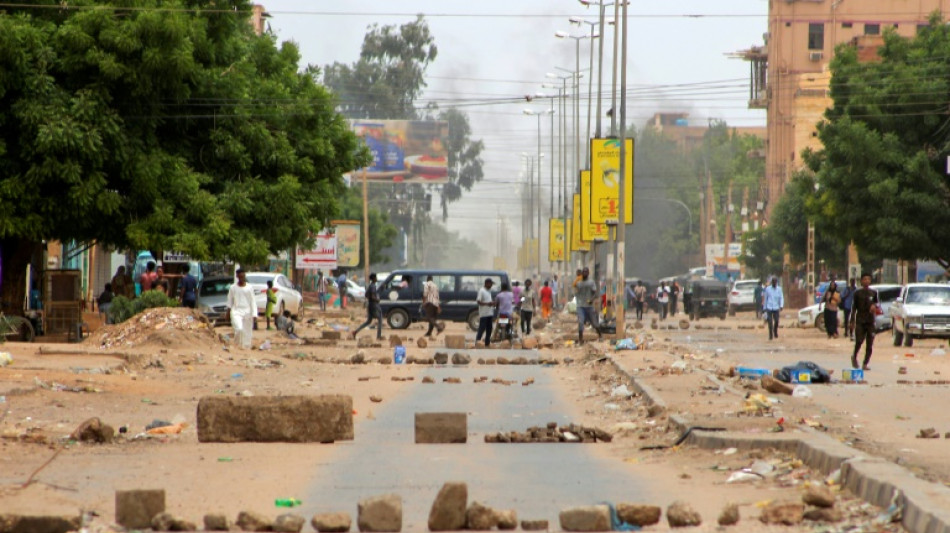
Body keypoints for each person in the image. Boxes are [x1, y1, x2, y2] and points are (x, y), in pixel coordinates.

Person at [850, 273, 879, 371]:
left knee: (870, 344)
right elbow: (854, 308)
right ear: (861, 281)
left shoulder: (873, 293)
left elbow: (876, 304)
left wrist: (874, 307)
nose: (866, 281)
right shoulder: (857, 293)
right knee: (859, 340)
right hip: (860, 320)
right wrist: (852, 321)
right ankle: (854, 356)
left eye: (868, 279)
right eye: (864, 279)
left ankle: (865, 363)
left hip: (870, 321)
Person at [227, 269, 258, 349]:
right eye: (240, 276)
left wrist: (254, 314)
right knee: (239, 329)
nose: (241, 278)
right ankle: (237, 345)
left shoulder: (249, 287)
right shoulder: (232, 288)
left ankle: (246, 348)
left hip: (247, 312)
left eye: (243, 276)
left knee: (247, 331)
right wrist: (228, 312)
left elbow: (253, 301)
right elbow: (230, 301)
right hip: (236, 311)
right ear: (237, 276)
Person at [353, 273, 383, 340]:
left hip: (370, 305)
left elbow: (366, 295)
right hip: (374, 305)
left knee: (368, 321)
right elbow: (372, 296)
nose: (376, 279)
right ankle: (378, 336)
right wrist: (377, 299)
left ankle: (355, 331)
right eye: (375, 277)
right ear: (374, 278)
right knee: (380, 319)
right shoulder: (373, 286)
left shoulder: (370, 286)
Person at [574, 267, 600, 343]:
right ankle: (580, 339)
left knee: (594, 323)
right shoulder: (579, 283)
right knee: (580, 322)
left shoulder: (591, 282)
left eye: (586, 272)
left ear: (588, 273)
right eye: (583, 272)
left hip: (589, 306)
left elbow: (595, 293)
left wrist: (591, 300)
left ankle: (600, 335)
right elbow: (575, 288)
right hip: (580, 306)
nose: (584, 273)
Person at [475, 278, 495, 346]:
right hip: (484, 314)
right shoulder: (482, 291)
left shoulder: (489, 291)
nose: (491, 285)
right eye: (491, 284)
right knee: (482, 328)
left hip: (489, 313)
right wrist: (487, 304)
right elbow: (478, 301)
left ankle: (487, 342)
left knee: (489, 329)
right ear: (486, 283)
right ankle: (477, 342)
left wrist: (492, 303)